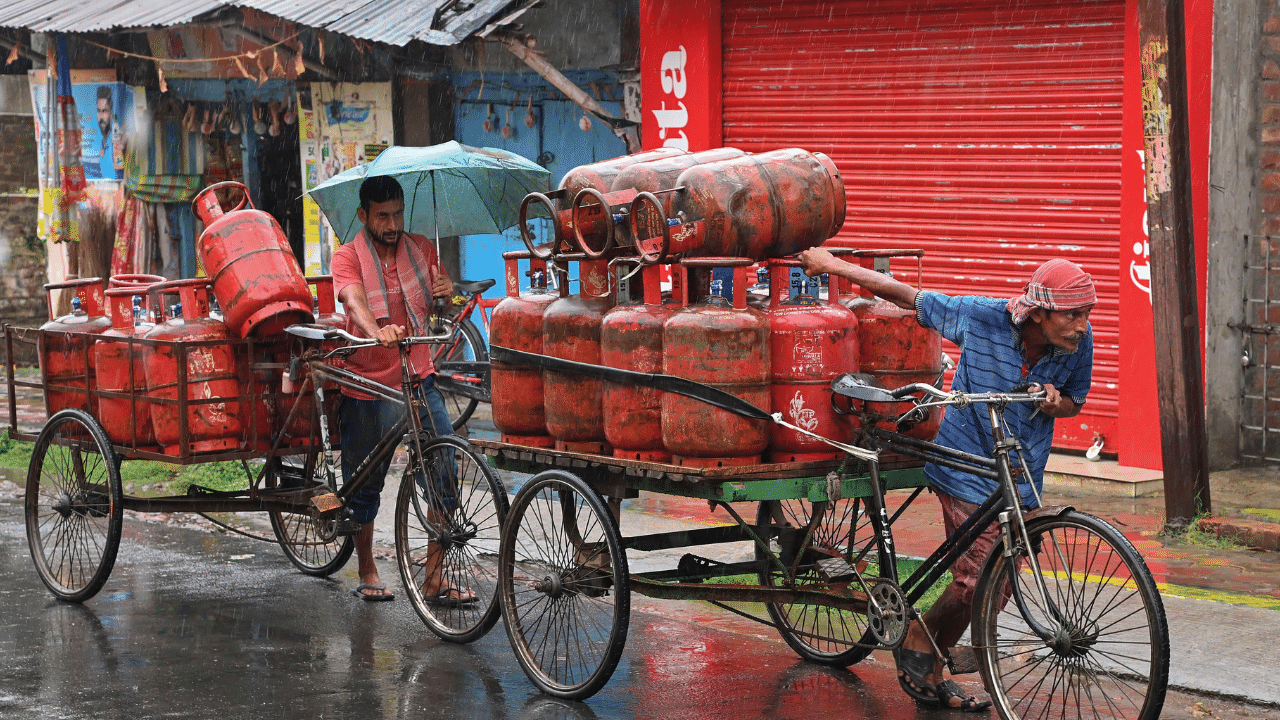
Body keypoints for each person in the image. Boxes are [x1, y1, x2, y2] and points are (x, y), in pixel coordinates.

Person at [798, 246, 1095, 712]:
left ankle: (926, 647)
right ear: (1038, 313)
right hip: (966, 465)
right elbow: (905, 295)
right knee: (977, 581)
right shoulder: (982, 318)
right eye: (1074, 314)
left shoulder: (1079, 343)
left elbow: (1075, 399)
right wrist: (830, 265)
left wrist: (1059, 404)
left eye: (1087, 314)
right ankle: (921, 644)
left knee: (1000, 579)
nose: (1083, 324)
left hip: (1021, 475)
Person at [331, 175, 464, 603]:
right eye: (382, 215)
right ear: (363, 215)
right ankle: (367, 568)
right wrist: (376, 331)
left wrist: (447, 294)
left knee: (444, 471)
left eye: (397, 213)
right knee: (365, 483)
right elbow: (354, 301)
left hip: (418, 374)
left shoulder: (423, 249)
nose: (392, 223)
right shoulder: (347, 257)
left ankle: (434, 578)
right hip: (368, 382)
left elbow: (440, 308)